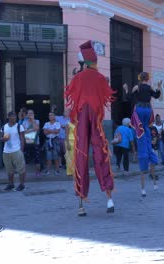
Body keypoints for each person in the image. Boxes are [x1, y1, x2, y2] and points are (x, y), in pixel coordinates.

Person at [65, 40, 115, 215]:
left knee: (81, 156)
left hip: (81, 118)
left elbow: (71, 98)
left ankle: (81, 203)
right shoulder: (101, 78)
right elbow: (105, 98)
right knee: (101, 154)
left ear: (85, 62)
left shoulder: (78, 77)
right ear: (95, 62)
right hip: (95, 117)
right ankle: (109, 199)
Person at [125, 72, 161, 197]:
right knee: (145, 128)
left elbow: (129, 98)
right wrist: (158, 87)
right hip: (148, 109)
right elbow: (156, 95)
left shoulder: (137, 87)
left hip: (139, 108)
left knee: (139, 129)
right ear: (148, 79)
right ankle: (154, 183)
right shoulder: (150, 87)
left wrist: (126, 90)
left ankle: (143, 187)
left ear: (140, 79)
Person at [0, 111, 26, 192]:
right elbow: (0, 138)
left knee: (21, 168)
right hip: (6, 151)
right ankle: (11, 184)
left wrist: (21, 150)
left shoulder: (19, 126)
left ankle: (22, 185)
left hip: (16, 150)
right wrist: (4, 139)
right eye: (12, 117)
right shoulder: (4, 127)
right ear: (9, 117)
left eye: (15, 117)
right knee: (9, 169)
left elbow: (22, 138)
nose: (14, 118)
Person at [22, 110, 41, 177]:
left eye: (32, 113)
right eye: (29, 113)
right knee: (26, 158)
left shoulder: (37, 121)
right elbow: (24, 132)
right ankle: (24, 172)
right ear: (27, 115)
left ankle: (38, 172)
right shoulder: (24, 122)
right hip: (27, 142)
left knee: (37, 158)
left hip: (36, 142)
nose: (30, 115)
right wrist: (32, 130)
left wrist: (32, 121)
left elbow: (37, 128)